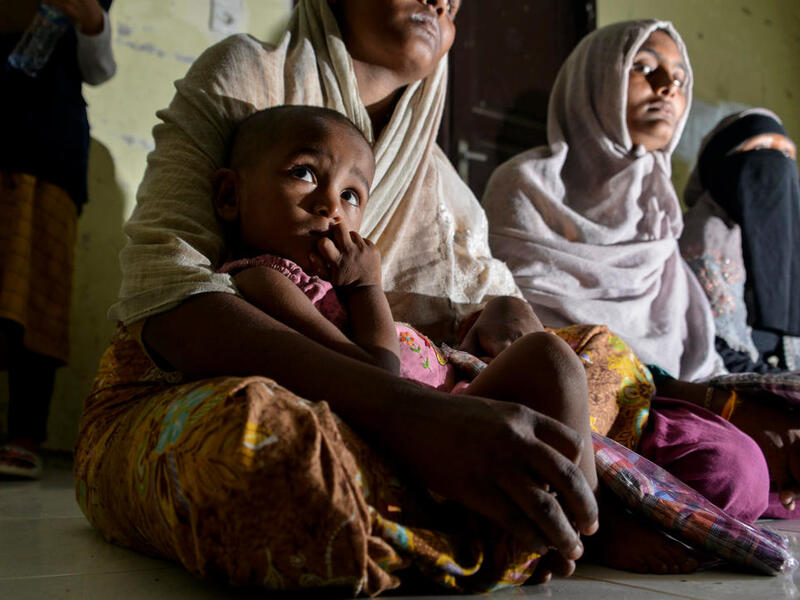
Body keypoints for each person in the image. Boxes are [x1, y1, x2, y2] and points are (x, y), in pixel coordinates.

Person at [74, 1, 607, 593]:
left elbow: (467, 307)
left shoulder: (431, 172)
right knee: (266, 440)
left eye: (454, 3)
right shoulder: (247, 79)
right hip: (250, 383)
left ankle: (571, 527)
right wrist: (413, 416)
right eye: (303, 174)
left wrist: (499, 310)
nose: (439, 3)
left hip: (422, 393)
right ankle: (477, 521)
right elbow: (172, 298)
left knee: (588, 356)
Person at [483, 20, 772, 568]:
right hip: (562, 398)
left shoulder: (662, 213)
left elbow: (686, 348)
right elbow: (511, 322)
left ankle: (608, 512)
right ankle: (602, 519)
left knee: (739, 470)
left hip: (653, 402)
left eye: (679, 77)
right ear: (595, 81)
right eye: (644, 69)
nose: (667, 87)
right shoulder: (523, 186)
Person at [0, 0, 116, 479]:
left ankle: (25, 435)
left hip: (51, 149)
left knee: (41, 294)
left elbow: (99, 70)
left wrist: (92, 21)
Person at [680, 108, 799, 373]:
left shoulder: (791, 246)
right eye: (760, 150)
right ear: (721, 166)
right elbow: (718, 354)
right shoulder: (700, 237)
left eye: (786, 154)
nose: (777, 164)